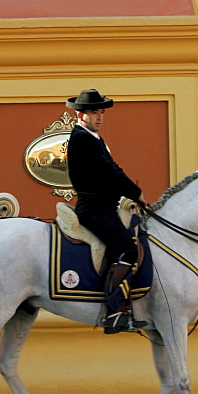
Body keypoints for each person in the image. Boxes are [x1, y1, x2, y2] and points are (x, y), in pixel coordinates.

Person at [65, 88, 148, 334]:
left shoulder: (93, 138)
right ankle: (113, 312)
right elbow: (109, 173)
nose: (100, 117)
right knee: (127, 249)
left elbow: (115, 169)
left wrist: (133, 192)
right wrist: (136, 193)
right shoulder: (81, 138)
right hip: (94, 209)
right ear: (80, 114)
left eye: (101, 112)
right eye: (94, 112)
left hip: (105, 207)